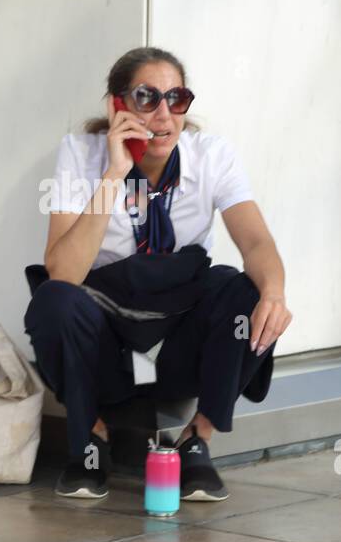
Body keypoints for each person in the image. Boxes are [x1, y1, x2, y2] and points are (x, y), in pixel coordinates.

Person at [25, 47, 293, 501]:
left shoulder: (211, 155)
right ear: (118, 106)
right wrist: (115, 172)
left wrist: (275, 293)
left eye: (177, 98)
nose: (164, 115)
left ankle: (197, 440)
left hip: (179, 322)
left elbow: (256, 243)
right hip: (105, 321)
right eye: (148, 98)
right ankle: (91, 438)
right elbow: (63, 270)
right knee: (54, 301)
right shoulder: (81, 153)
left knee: (249, 295)